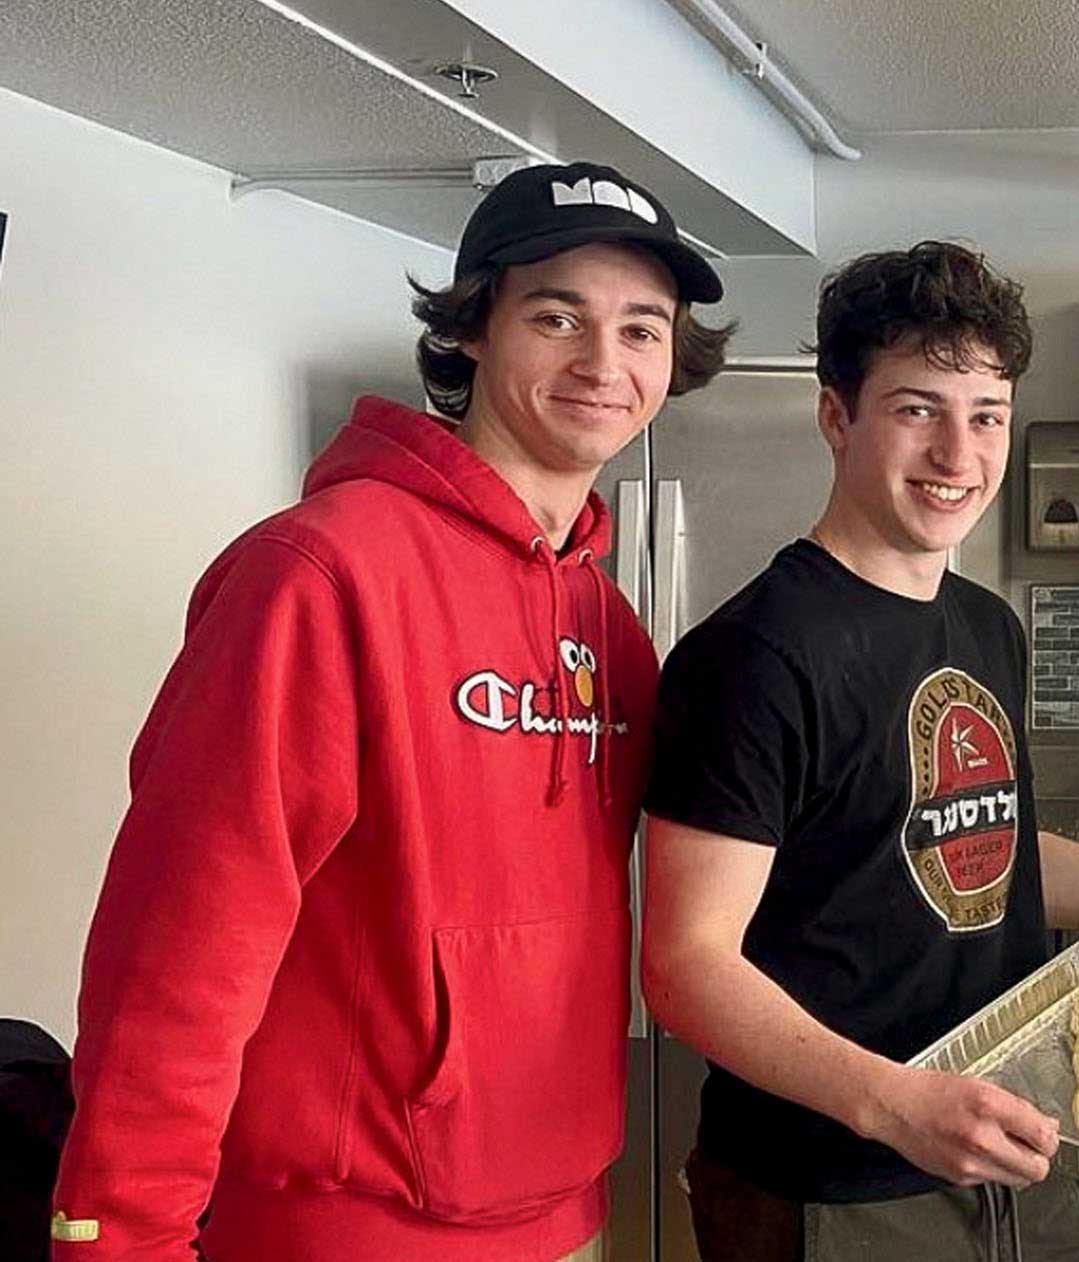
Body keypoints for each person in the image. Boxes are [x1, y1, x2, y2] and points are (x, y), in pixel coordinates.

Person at [50, 161, 733, 1262]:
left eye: (640, 329)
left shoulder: (607, 622)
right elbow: (182, 943)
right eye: (556, 316)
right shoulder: (317, 574)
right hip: (348, 1223)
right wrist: (115, 1237)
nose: (603, 363)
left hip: (565, 1209)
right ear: (471, 330)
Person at [641, 240, 1079, 1262]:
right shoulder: (754, 654)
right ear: (836, 416)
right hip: (833, 1184)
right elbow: (685, 962)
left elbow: (988, 861)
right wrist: (891, 1104)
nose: (958, 456)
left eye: (986, 416)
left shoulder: (983, 624)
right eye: (917, 408)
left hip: (1006, 1144)